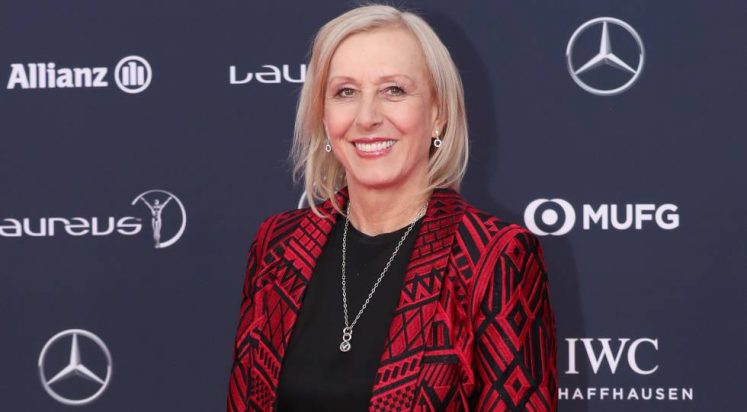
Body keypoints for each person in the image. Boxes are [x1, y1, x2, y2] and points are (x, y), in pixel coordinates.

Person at [227, 4, 557, 411]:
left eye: (393, 90)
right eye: (346, 92)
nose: (367, 117)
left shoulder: (495, 257)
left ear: (438, 114)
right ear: (324, 117)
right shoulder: (277, 246)